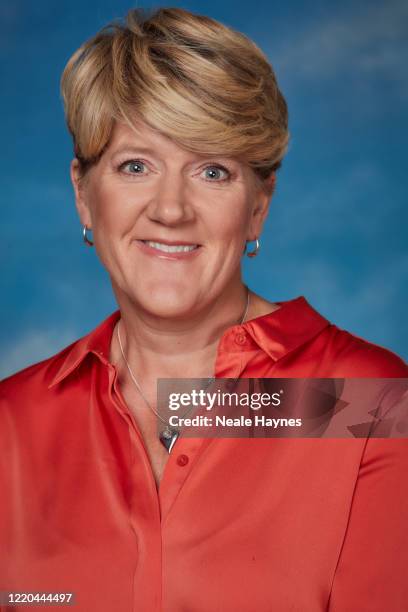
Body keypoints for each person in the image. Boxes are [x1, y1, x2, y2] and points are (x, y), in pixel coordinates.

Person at [0, 7, 407, 612]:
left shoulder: (366, 404)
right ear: (83, 194)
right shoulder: (12, 424)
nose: (171, 209)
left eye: (212, 171)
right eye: (134, 165)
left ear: (258, 205)